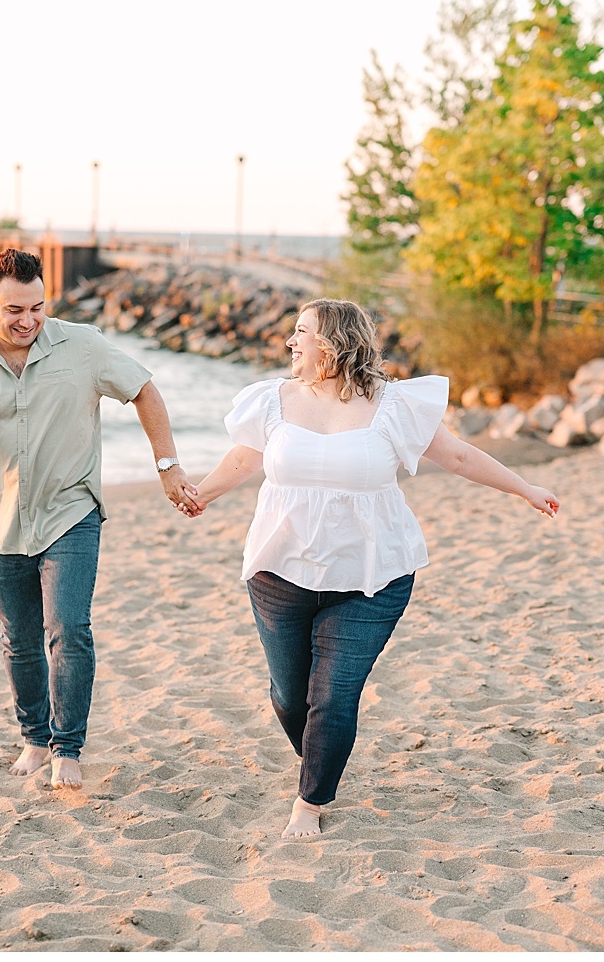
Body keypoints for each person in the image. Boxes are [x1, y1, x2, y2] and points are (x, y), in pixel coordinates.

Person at [184, 298, 560, 839]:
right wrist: (202, 496)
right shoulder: (272, 401)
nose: (290, 342)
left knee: (334, 695)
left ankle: (309, 802)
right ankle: (322, 756)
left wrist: (525, 488)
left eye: (301, 332)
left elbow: (457, 457)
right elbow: (246, 459)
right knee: (291, 697)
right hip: (279, 573)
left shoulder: (393, 406)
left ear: (332, 345)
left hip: (371, 577)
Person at [0, 248, 200, 791]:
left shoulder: (83, 346)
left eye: (38, 308)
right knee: (20, 640)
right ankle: (34, 739)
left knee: (68, 629)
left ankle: (67, 746)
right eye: (14, 310)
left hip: (72, 512)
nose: (27, 321)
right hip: (0, 520)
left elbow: (144, 389)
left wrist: (167, 465)